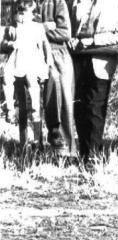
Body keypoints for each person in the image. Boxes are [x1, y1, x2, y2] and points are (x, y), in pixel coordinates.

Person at [70, 0, 118, 162]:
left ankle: (94, 156)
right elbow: (72, 27)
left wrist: (93, 41)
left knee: (94, 107)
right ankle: (83, 153)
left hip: (101, 60)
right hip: (77, 58)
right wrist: (72, 39)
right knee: (78, 107)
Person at [1, 0, 51, 145]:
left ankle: (37, 139)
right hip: (17, 61)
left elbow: (44, 45)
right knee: (7, 78)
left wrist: (46, 64)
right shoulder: (13, 28)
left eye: (25, 13)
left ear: (32, 15)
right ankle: (10, 110)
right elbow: (3, 43)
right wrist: (10, 43)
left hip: (32, 62)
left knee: (34, 97)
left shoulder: (37, 28)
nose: (21, 16)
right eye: (19, 13)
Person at [37, 0, 77, 155]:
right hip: (34, 54)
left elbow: (65, 32)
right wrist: (43, 27)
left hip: (56, 54)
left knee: (61, 100)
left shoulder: (57, 2)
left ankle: (65, 150)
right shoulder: (27, 4)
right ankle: (36, 146)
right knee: (35, 103)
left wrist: (39, 30)